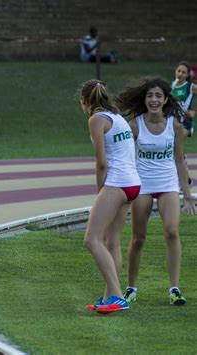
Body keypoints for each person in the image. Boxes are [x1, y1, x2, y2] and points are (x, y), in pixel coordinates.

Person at [115, 77, 195, 306]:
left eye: (158, 96)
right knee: (138, 237)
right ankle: (130, 288)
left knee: (172, 232)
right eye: (150, 95)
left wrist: (187, 194)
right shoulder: (134, 125)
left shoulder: (175, 126)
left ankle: (175, 289)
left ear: (166, 99)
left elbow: (180, 160)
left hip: (168, 184)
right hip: (143, 185)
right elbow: (125, 158)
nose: (154, 99)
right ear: (145, 99)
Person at [80, 79, 141, 314]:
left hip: (116, 183)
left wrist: (100, 193)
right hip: (133, 183)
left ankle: (117, 295)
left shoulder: (96, 120)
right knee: (111, 241)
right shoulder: (119, 119)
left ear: (84, 101)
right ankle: (109, 297)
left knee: (91, 239)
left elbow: (102, 162)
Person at [171, 61, 196, 187]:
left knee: (176, 147)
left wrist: (194, 111)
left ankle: (181, 183)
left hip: (185, 124)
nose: (180, 74)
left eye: (183, 72)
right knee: (176, 151)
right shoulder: (172, 86)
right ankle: (186, 178)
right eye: (178, 71)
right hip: (173, 124)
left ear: (187, 75)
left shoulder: (190, 87)